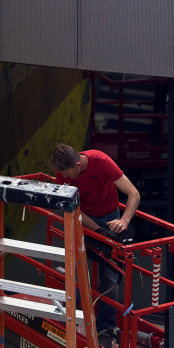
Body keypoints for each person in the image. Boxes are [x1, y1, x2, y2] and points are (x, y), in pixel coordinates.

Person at [51, 143, 141, 336]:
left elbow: (133, 193)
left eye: (67, 174)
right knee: (75, 271)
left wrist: (124, 221)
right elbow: (72, 208)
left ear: (77, 164)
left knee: (110, 274)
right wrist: (98, 230)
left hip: (109, 218)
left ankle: (106, 327)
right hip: (82, 219)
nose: (65, 178)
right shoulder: (62, 172)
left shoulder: (101, 161)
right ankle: (71, 320)